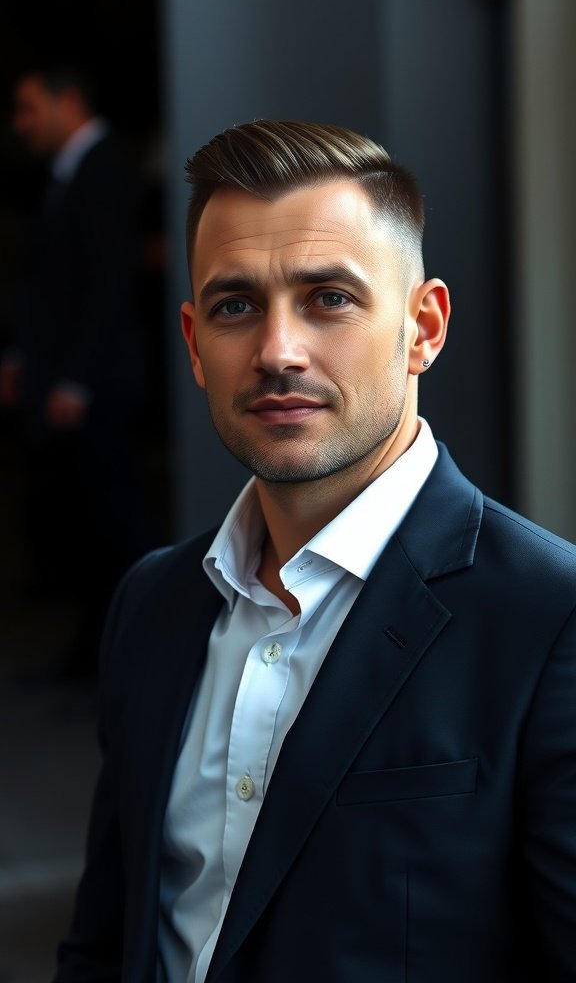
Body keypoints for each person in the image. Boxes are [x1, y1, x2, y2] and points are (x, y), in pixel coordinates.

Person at [52, 120, 576, 981]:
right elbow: (108, 942)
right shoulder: (151, 603)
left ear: (424, 328)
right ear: (193, 345)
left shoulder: (548, 617)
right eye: (235, 306)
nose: (276, 351)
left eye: (329, 297)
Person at [0, 66, 162, 680]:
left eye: (27, 108)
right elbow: (49, 287)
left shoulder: (102, 172)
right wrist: (23, 357)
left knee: (117, 526)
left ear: (67, 101)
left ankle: (140, 668)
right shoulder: (68, 175)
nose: (21, 125)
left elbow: (107, 287)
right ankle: (94, 663)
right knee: (87, 528)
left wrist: (75, 382)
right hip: (70, 382)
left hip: (95, 389)